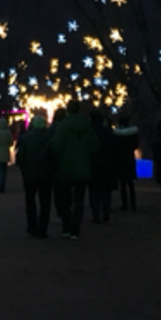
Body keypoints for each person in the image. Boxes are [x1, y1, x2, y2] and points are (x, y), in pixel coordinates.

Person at [50, 98, 100, 239]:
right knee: (79, 200)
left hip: (65, 168)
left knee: (65, 199)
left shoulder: (62, 126)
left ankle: (66, 226)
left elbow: (56, 147)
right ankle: (75, 229)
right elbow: (95, 146)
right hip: (82, 167)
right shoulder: (86, 126)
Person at [15, 114, 54, 237]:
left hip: (29, 173)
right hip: (46, 173)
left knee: (30, 200)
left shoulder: (25, 138)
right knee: (45, 201)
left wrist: (23, 169)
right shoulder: (50, 138)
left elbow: (20, 157)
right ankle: (43, 228)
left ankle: (32, 226)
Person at [88, 108, 117, 224]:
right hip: (107, 163)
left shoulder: (89, 132)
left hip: (93, 164)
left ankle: (96, 214)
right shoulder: (108, 132)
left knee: (94, 190)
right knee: (106, 190)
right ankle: (106, 211)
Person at [113, 115, 140, 211]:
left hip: (120, 159)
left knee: (122, 184)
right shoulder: (132, 134)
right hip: (129, 158)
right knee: (130, 183)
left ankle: (124, 204)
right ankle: (133, 204)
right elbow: (136, 145)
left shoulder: (116, 135)